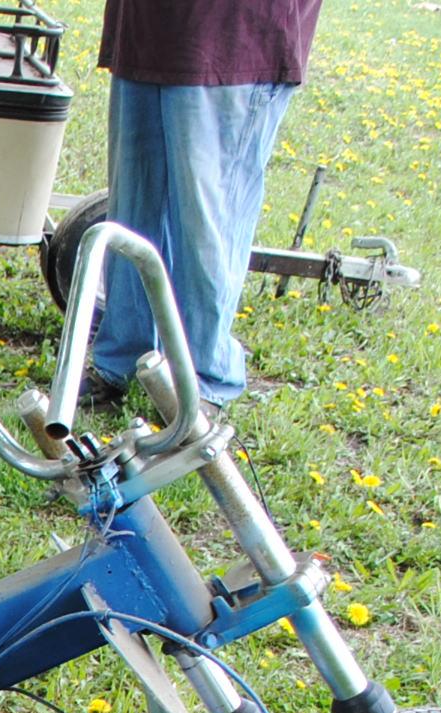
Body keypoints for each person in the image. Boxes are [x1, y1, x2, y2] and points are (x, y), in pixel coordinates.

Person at [88, 0, 324, 408]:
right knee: (133, 213)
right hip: (147, 33)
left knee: (206, 223)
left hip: (232, 41)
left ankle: (205, 379)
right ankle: (124, 361)